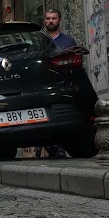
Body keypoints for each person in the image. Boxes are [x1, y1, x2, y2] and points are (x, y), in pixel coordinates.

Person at [38, 9, 79, 159]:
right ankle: (48, 144)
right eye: (48, 18)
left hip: (63, 84)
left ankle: (58, 145)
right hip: (44, 86)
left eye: (53, 18)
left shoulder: (68, 41)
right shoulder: (38, 41)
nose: (50, 21)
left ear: (59, 20)